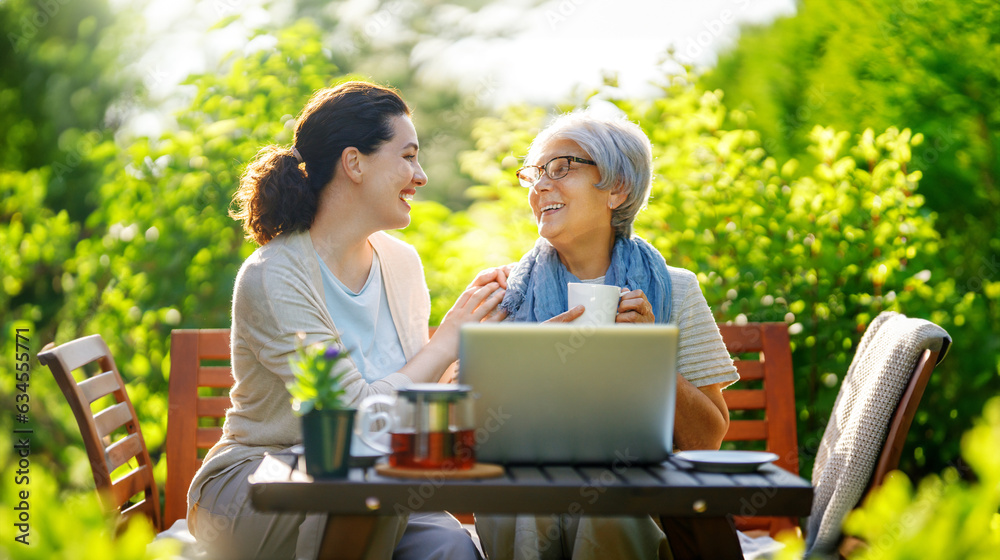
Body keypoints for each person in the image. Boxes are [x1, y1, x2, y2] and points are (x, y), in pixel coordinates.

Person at [187, 81, 504, 560]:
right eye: (408, 156)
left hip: (379, 483)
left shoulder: (402, 263)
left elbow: (415, 400)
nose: (420, 176)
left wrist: (492, 347)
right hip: (260, 479)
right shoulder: (274, 276)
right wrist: (447, 342)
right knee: (364, 497)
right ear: (354, 163)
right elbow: (353, 421)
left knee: (451, 548)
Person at [475, 111, 741, 560]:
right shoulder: (505, 295)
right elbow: (465, 434)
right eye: (533, 174)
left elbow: (708, 439)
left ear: (617, 189)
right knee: (540, 501)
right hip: (528, 493)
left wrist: (649, 357)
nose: (539, 186)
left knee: (607, 501)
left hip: (638, 500)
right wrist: (521, 367)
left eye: (560, 168)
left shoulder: (674, 289)